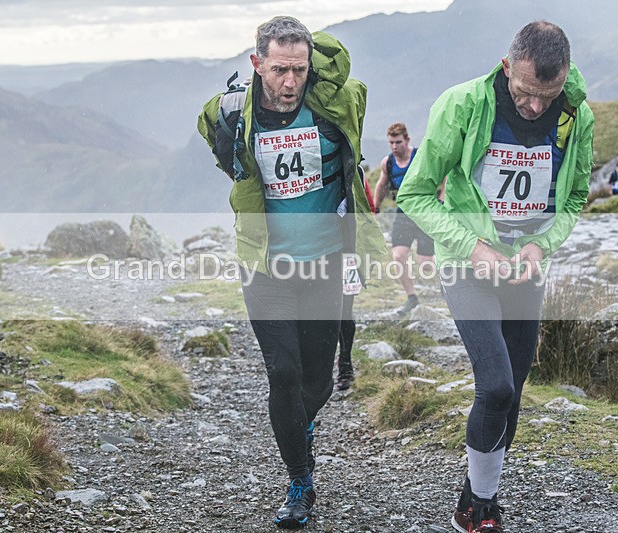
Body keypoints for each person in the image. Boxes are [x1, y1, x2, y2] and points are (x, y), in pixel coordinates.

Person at [397, 21, 593, 533]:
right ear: (507, 68)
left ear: (565, 77)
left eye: (545, 97)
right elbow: (414, 194)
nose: (533, 108)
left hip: (525, 269)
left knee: (516, 388)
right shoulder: (461, 106)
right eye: (525, 93)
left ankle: (476, 494)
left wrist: (539, 244)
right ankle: (479, 510)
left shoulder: (577, 116)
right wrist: (473, 247)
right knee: (497, 385)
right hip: (467, 267)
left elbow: (573, 198)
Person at [197, 16, 386, 528]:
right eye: (279, 69)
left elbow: (358, 112)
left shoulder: (334, 106)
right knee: (283, 373)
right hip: (266, 266)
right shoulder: (235, 115)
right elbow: (221, 148)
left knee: (319, 381)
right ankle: (300, 481)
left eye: (299, 70)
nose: (288, 82)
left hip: (327, 263)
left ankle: (297, 429)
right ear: (257, 63)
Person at [373, 123, 436, 316]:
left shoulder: (420, 157)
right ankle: (412, 298)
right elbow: (381, 185)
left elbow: (442, 175)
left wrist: (441, 199)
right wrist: (375, 207)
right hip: (403, 212)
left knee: (424, 263)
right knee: (398, 256)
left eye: (398, 142)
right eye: (391, 142)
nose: (394, 146)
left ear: (407, 140)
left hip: (425, 213)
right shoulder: (388, 163)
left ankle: (450, 288)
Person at [336, 171, 375, 391]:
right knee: (341, 311)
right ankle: (343, 365)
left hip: (348, 252)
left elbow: (369, 210)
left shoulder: (356, 174)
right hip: (342, 252)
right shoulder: (354, 170)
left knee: (344, 309)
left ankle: (345, 364)